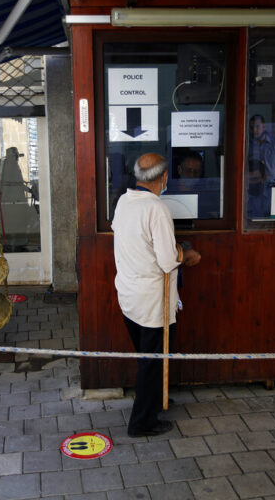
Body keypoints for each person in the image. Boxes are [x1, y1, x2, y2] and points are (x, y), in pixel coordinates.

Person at [112, 153, 201, 437]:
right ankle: (142, 423)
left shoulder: (124, 201)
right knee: (152, 363)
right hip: (152, 302)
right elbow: (167, 260)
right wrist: (187, 254)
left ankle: (154, 400)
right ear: (163, 177)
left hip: (129, 295)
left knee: (147, 359)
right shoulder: (156, 208)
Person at [248, 114, 275, 188]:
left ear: (264, 127)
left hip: (273, 186)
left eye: (257, 127)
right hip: (254, 187)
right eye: (252, 127)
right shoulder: (247, 147)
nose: (254, 130)